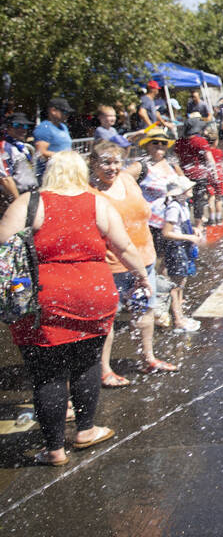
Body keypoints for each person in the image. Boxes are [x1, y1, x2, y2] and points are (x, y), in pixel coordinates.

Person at [0, 151, 151, 466]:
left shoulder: (29, 203)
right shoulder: (97, 203)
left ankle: (54, 450)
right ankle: (86, 430)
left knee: (47, 374)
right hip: (94, 296)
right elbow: (123, 247)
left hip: (43, 300)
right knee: (87, 363)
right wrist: (142, 277)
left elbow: (3, 248)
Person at [88, 141, 177, 383]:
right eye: (105, 162)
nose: (112, 167)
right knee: (108, 319)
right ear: (93, 163)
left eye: (116, 162)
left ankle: (149, 359)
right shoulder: (89, 190)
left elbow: (141, 166)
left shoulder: (127, 179)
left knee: (144, 312)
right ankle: (104, 370)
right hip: (111, 266)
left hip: (143, 261)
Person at [157, 176, 203, 332]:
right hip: (177, 249)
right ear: (181, 192)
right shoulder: (174, 207)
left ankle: (180, 317)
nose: (191, 190)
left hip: (183, 248)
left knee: (180, 284)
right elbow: (166, 232)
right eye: (188, 188)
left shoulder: (183, 205)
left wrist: (194, 230)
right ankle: (178, 320)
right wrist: (188, 237)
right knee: (176, 286)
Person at [2, 111, 38, 214]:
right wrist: (18, 203)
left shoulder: (22, 147)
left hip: (30, 194)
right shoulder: (4, 148)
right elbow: (5, 179)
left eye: (25, 126)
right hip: (15, 197)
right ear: (8, 127)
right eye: (17, 125)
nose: (22, 129)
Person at [32, 96, 74, 175]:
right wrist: (65, 157)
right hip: (49, 174)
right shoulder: (44, 128)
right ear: (53, 110)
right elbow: (41, 153)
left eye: (68, 113)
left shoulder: (63, 127)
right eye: (65, 112)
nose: (67, 115)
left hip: (64, 172)